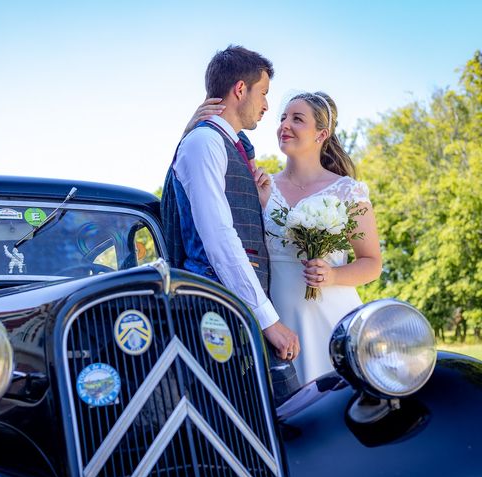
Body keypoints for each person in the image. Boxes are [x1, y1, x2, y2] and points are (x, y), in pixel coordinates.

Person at [186, 91, 382, 384]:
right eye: (282, 118)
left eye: (297, 119)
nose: (284, 125)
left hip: (332, 315)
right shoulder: (262, 185)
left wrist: (332, 275)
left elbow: (371, 263)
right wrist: (191, 130)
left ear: (321, 134)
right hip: (277, 319)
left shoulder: (347, 190)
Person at [161, 45, 300, 403]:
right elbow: (219, 237)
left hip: (236, 307)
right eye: (264, 93)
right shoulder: (204, 142)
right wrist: (269, 321)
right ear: (240, 89)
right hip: (214, 309)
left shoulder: (225, 145)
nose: (267, 106)